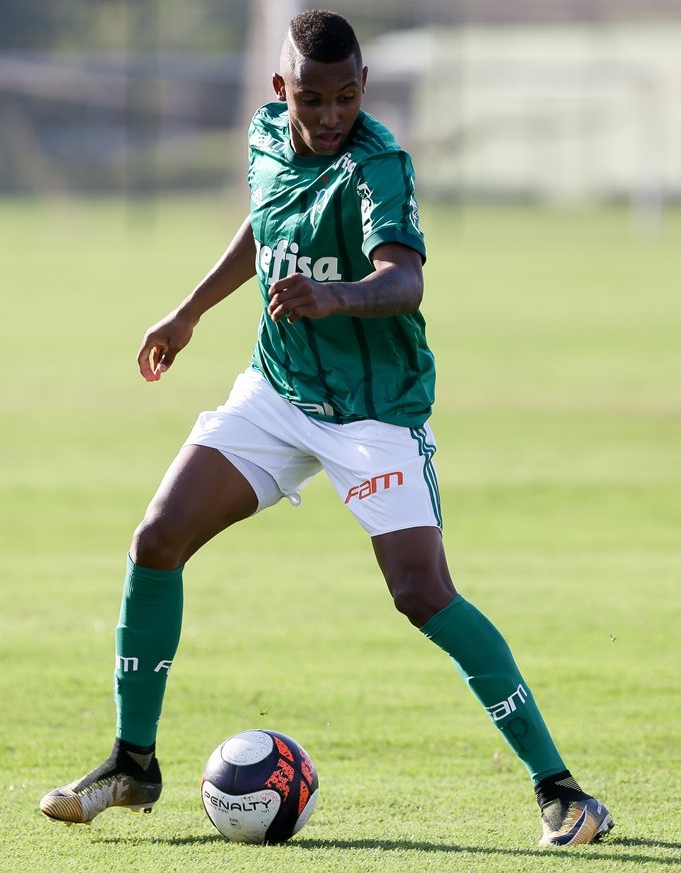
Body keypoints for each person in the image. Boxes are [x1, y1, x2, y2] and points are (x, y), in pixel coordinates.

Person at [40, 10, 613, 847]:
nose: (330, 114)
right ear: (282, 91)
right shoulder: (266, 135)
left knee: (421, 592)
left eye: (346, 96)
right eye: (313, 98)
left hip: (374, 412)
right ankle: (133, 762)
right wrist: (190, 310)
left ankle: (560, 788)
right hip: (276, 392)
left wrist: (336, 295)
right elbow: (265, 224)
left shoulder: (379, 165)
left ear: (363, 89)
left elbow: (404, 280)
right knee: (157, 538)